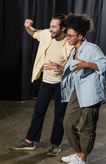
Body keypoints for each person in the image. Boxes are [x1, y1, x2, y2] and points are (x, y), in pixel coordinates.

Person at [48, 13, 106, 164]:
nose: (68, 38)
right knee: (68, 123)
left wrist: (88, 65)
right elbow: (72, 69)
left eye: (71, 35)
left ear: (80, 36)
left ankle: (83, 158)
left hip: (91, 93)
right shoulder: (73, 51)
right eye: (67, 35)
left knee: (88, 126)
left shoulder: (91, 49)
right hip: (77, 91)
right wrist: (58, 67)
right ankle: (78, 152)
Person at [13, 14, 74, 156]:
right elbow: (34, 33)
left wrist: (58, 67)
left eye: (54, 26)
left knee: (59, 115)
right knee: (38, 111)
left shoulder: (70, 43)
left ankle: (55, 145)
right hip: (46, 82)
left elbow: (74, 69)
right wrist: (28, 27)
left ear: (63, 28)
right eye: (50, 25)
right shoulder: (47, 34)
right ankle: (29, 141)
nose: (50, 29)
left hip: (62, 84)